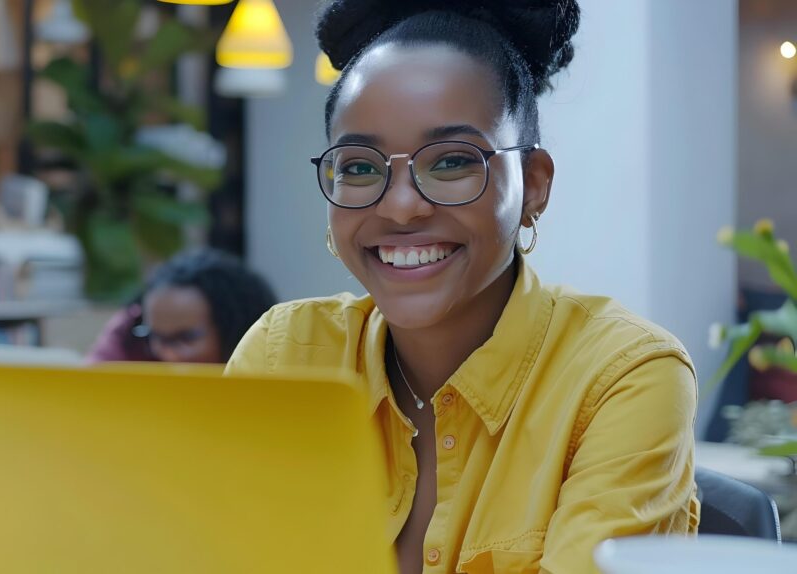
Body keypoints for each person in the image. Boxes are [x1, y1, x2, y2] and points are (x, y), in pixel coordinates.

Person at [225, 1, 699, 573]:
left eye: (452, 162)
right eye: (358, 167)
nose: (401, 207)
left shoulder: (623, 378)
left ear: (533, 187)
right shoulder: (287, 356)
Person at [88, 249, 277, 364]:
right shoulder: (128, 333)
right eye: (157, 337)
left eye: (186, 337)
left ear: (234, 330)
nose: (169, 354)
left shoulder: (269, 355)